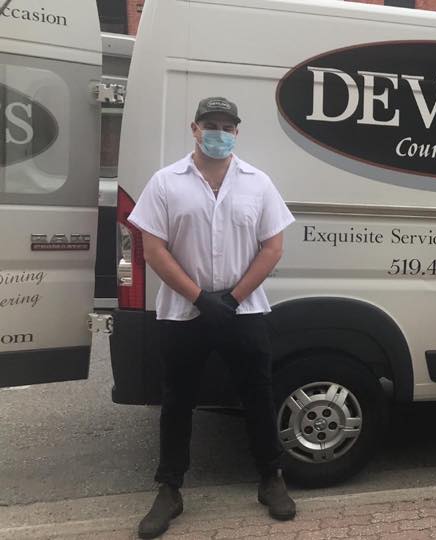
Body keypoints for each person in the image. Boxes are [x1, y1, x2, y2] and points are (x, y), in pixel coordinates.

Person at [129, 97, 297, 538]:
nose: (219, 131)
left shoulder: (258, 183)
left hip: (245, 312)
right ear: (195, 128)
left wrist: (233, 298)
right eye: (211, 124)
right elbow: (154, 249)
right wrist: (202, 298)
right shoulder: (166, 183)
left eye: (227, 125)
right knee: (177, 400)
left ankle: (270, 478)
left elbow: (273, 247)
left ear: (237, 132)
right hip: (185, 312)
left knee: (258, 395)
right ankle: (169, 489)